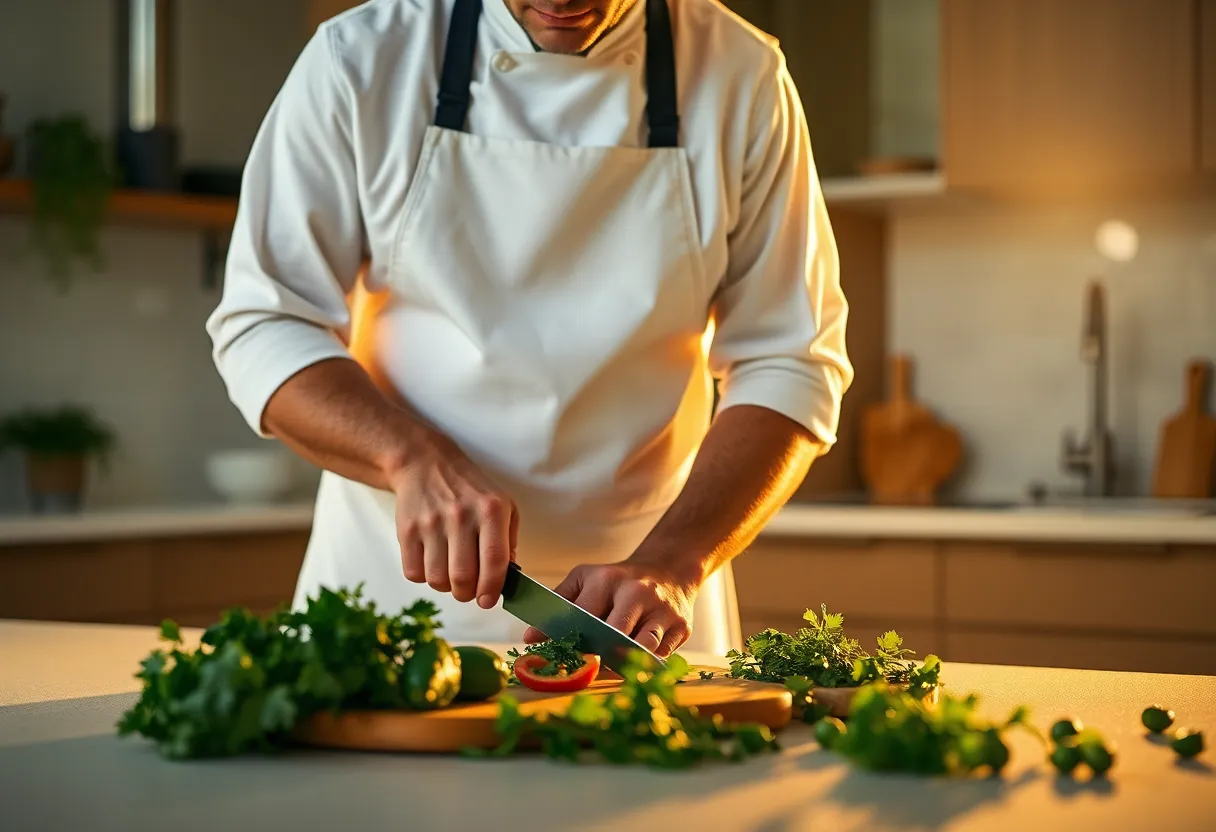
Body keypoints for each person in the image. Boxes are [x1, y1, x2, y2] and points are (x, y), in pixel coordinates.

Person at [206, 0, 852, 658]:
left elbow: (790, 360)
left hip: (639, 616)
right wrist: (408, 457)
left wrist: (674, 561)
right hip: (391, 604)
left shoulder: (742, 74)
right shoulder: (361, 60)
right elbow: (267, 321)